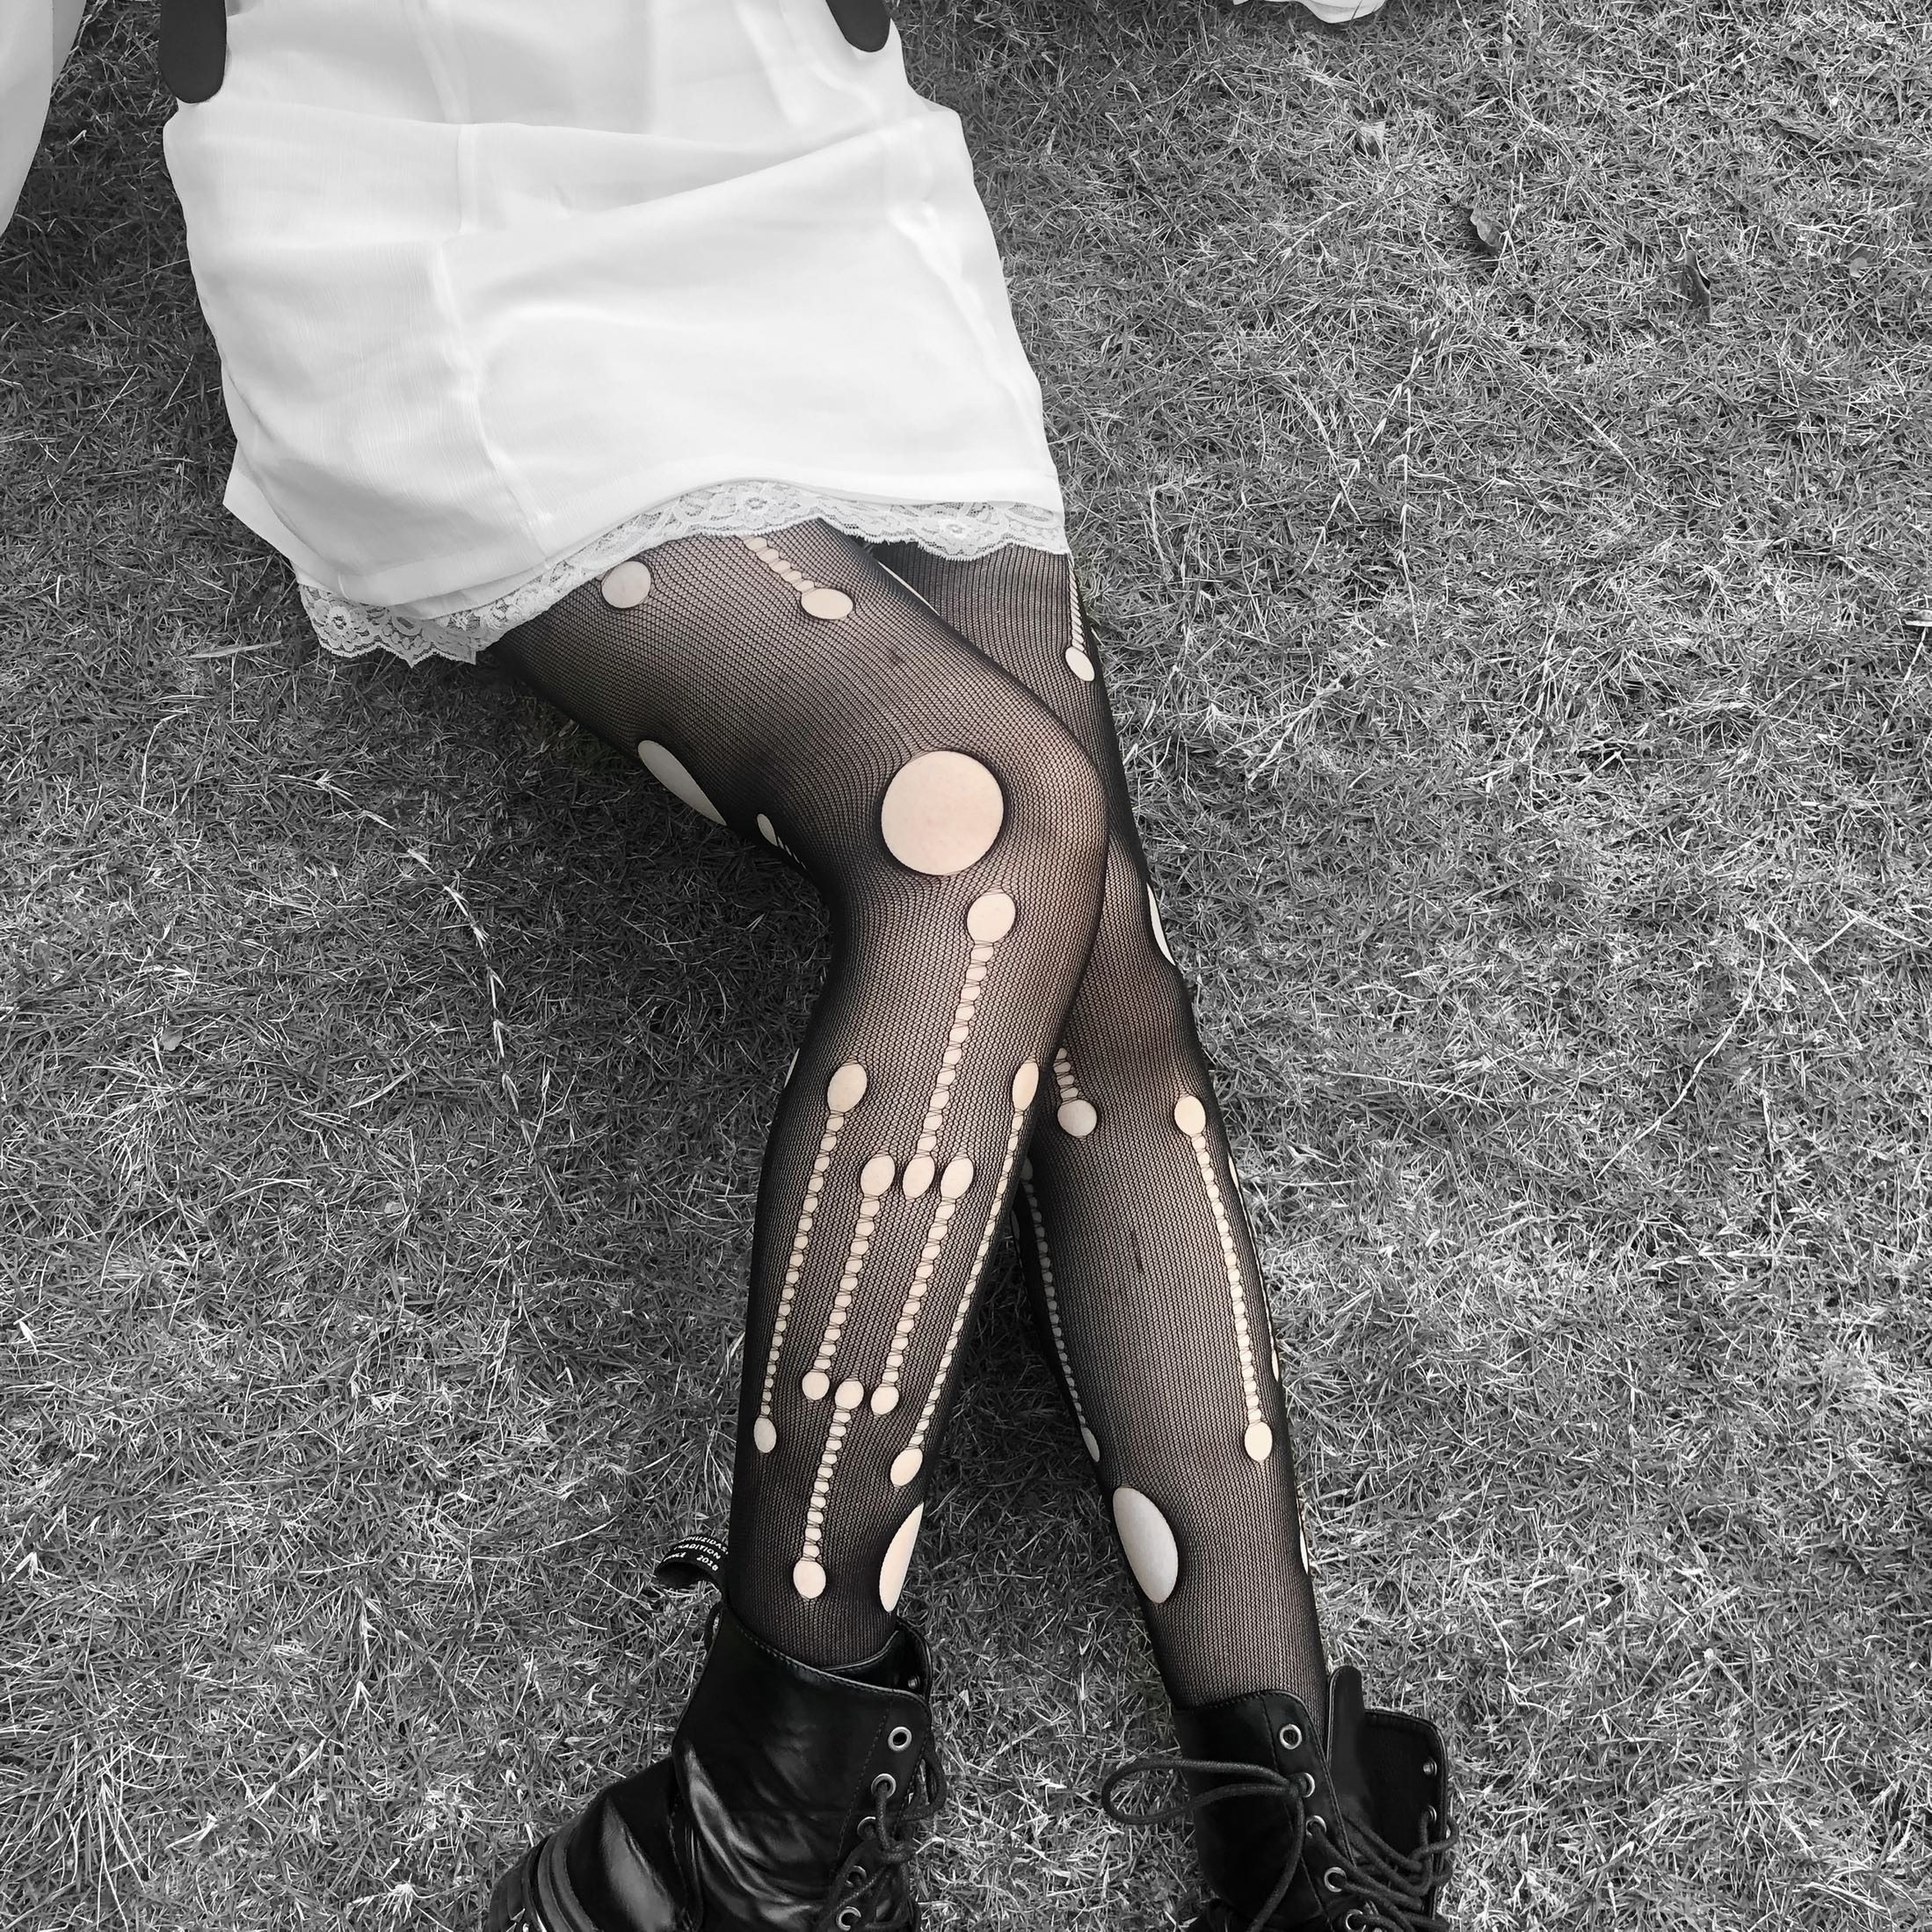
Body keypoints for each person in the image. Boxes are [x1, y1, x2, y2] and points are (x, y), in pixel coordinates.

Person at [154, 3, 1453, 1928]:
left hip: (814, 175)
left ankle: (1293, 1833)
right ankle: (771, 1811)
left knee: (1099, 965)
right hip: (434, 214)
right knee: (989, 831)